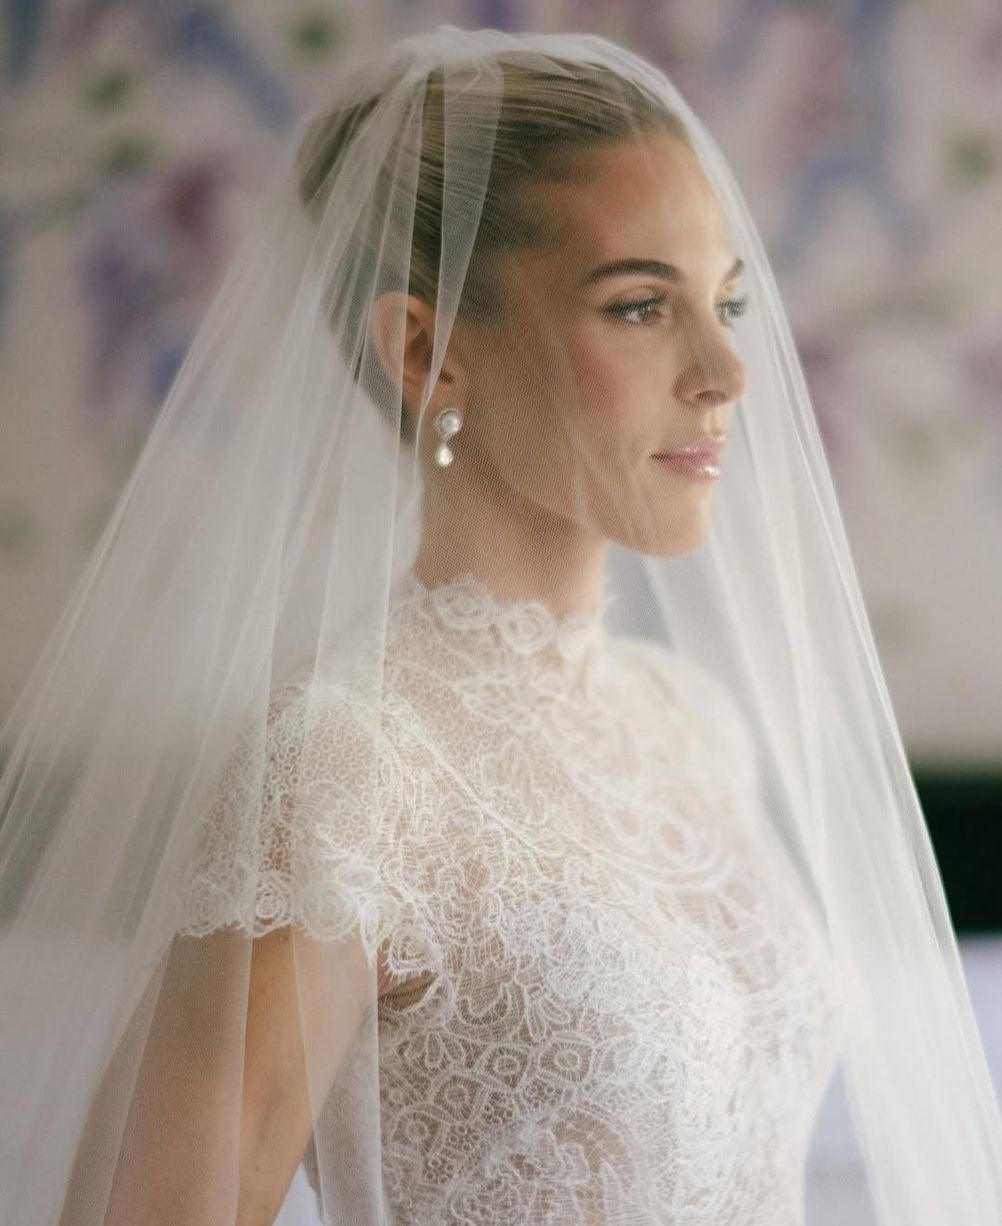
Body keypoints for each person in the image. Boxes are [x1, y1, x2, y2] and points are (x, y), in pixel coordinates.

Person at [1, 23, 1000, 1226]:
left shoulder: (695, 720)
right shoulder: (347, 767)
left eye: (725, 300)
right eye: (640, 306)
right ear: (426, 352)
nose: (728, 370)